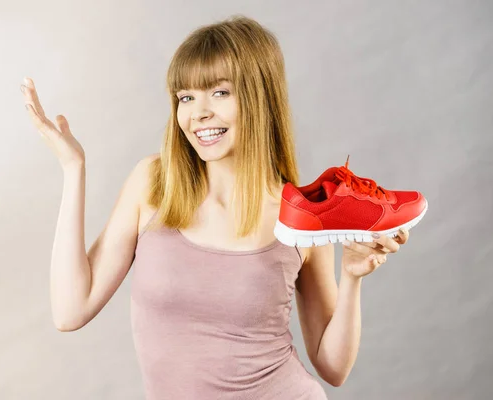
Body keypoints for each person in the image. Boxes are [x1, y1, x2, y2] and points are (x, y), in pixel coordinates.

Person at [21, 14, 409, 400]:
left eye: (220, 92)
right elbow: (70, 311)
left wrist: (353, 276)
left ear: (260, 98)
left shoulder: (301, 214)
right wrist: (74, 169)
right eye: (186, 97)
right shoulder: (153, 185)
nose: (198, 113)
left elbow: (333, 368)